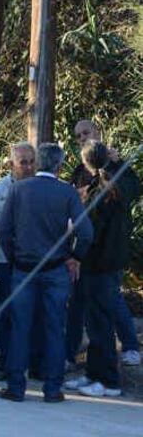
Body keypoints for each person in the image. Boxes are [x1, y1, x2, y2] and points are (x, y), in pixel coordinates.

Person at [0, 143, 93, 403]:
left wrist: (15, 256)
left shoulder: (18, 190)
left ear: (38, 163)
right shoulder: (67, 193)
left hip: (23, 269)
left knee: (20, 327)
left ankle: (16, 386)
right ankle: (52, 388)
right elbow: (86, 232)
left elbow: (3, 231)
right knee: (54, 328)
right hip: (55, 269)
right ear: (59, 166)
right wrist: (74, 256)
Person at [64, 142, 140, 397]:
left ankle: (109, 381)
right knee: (94, 321)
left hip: (101, 264)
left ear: (87, 162)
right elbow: (132, 179)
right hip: (101, 264)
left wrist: (76, 255)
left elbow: (90, 234)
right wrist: (117, 162)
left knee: (101, 323)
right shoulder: (110, 184)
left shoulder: (106, 192)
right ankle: (93, 373)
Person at [0, 142, 36, 381]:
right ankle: (5, 361)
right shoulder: (0, 189)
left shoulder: (42, 188)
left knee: (36, 312)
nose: (27, 166)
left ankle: (35, 361)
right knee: (7, 311)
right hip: (8, 260)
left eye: (31, 161)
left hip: (37, 260)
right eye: (22, 162)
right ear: (12, 164)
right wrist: (8, 229)